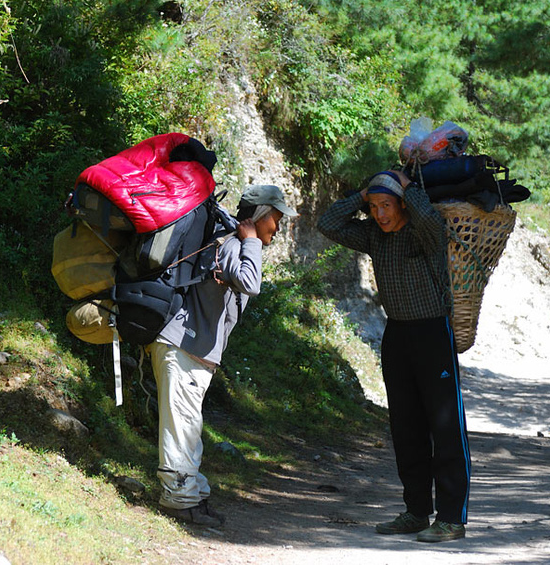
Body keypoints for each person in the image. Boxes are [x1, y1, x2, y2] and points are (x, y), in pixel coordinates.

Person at [317, 169, 470, 543]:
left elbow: (432, 221)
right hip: (397, 335)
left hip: (433, 332)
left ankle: (452, 518)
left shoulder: (424, 234)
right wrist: (363, 193)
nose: (381, 214)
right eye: (374, 207)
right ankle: (417, 511)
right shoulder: (373, 235)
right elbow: (328, 223)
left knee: (445, 427)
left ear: (401, 204)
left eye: (386, 206)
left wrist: (406, 186)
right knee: (406, 427)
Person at [150, 185, 297, 526]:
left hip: (192, 351)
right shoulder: (233, 244)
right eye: (275, 218)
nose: (277, 227)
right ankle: (178, 501)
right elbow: (250, 282)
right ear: (259, 216)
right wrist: (251, 241)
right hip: (182, 347)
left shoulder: (229, 243)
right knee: (181, 429)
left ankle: (193, 497)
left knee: (188, 427)